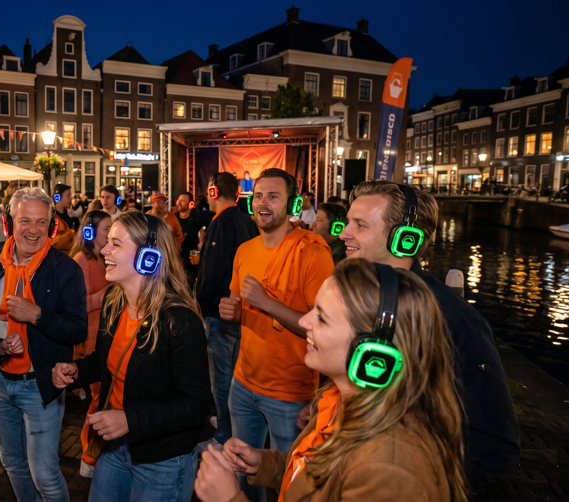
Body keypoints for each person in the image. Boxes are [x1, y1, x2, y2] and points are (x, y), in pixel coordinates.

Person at [195, 259, 467, 502]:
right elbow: (317, 476)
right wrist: (264, 464)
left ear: (373, 354)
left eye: (322, 318)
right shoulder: (340, 403)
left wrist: (229, 498)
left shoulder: (389, 469)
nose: (304, 322)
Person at [340, 180, 519, 490]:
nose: (343, 233)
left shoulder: (452, 319)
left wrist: (410, 482)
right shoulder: (359, 297)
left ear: (404, 239)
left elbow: (493, 443)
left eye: (359, 225)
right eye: (347, 222)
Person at [52, 212, 212, 502]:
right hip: (116, 448)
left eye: (116, 244)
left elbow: (197, 405)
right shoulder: (115, 302)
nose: (103, 250)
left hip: (161, 459)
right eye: (107, 242)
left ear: (148, 257)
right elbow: (106, 360)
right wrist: (77, 371)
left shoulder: (179, 321)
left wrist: (130, 420)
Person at [220, 168, 334, 502]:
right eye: (258, 196)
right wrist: (235, 310)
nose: (263, 204)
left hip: (291, 393)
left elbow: (323, 326)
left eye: (273, 196)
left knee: (290, 482)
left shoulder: (312, 253)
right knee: (245, 472)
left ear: (291, 204)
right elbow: (242, 306)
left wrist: (266, 303)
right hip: (243, 383)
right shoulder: (245, 250)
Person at [0, 187, 87, 502]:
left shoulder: (66, 269)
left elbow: (78, 330)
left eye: (41, 222)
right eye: (25, 221)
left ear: (51, 226)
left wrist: (38, 316)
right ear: (9, 223)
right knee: (12, 464)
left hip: (39, 385)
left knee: (45, 473)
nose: (33, 230)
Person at [194, 172, 258, 448]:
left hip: (220, 311)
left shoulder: (221, 223)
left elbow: (213, 271)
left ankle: (224, 433)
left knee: (220, 376)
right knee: (235, 372)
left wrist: (199, 304)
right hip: (242, 310)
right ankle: (230, 422)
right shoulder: (247, 221)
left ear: (213, 191)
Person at [69, 209, 112, 478]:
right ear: (90, 232)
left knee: (106, 400)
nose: (111, 232)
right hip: (92, 340)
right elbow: (78, 306)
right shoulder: (80, 261)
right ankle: (88, 456)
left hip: (107, 336)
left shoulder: (107, 257)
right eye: (107, 228)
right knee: (98, 400)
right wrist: (108, 294)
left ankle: (100, 455)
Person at [51, 183, 76, 255]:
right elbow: (53, 244)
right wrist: (71, 234)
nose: (71, 198)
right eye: (68, 195)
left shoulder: (66, 216)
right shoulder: (51, 219)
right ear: (57, 197)